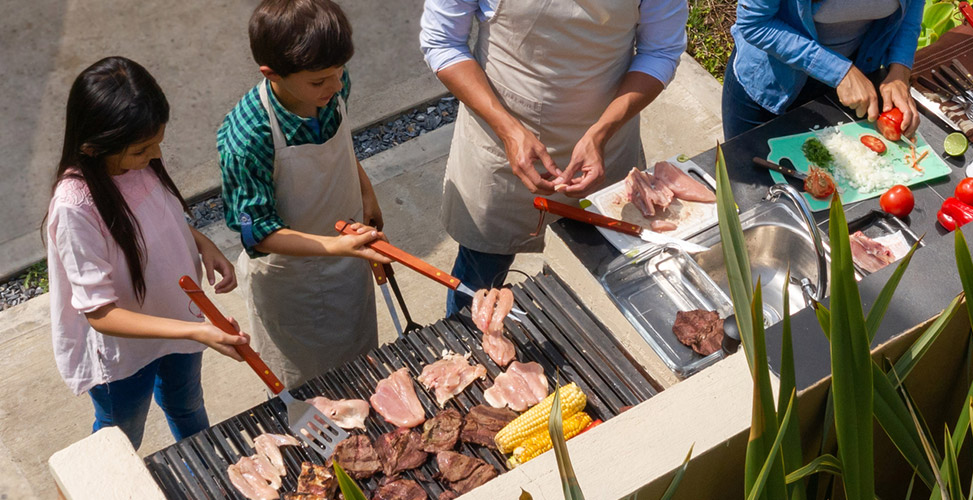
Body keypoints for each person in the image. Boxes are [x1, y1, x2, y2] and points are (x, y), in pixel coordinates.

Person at [419, 0, 688, 313]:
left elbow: (660, 51)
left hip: (607, 144)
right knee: (479, 280)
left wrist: (601, 131)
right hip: (498, 144)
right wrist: (508, 131)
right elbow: (443, 42)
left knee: (595, 278)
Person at [45, 57, 251, 448]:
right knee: (121, 435)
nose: (156, 156)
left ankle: (207, 470)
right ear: (92, 147)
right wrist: (197, 330)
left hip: (181, 321)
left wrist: (201, 244)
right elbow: (100, 312)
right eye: (143, 149)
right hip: (124, 355)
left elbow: (157, 219)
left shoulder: (136, 161)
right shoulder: (76, 206)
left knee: (187, 405)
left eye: (158, 142)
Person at [217, 0, 392, 387]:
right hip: (291, 284)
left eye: (339, 72)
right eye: (319, 81)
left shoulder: (332, 86)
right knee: (312, 391)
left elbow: (341, 147)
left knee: (363, 377)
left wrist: (366, 192)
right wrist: (333, 247)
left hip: (349, 264)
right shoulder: (247, 136)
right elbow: (257, 233)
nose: (334, 85)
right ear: (272, 74)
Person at [722, 0, 925, 139]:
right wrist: (839, 72)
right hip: (771, 85)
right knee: (748, 192)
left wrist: (899, 71)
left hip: (854, 85)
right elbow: (755, 24)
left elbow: (912, 7)